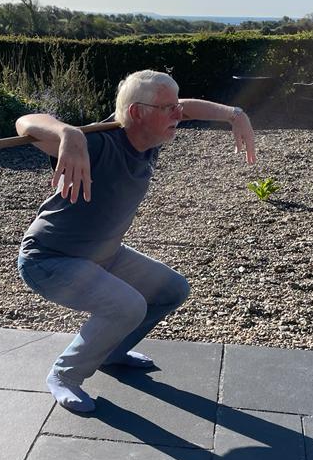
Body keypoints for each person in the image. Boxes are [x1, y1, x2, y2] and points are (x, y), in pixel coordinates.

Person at [16, 69, 256, 414]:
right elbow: (25, 123)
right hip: (50, 260)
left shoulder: (149, 138)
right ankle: (65, 375)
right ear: (136, 113)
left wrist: (235, 114)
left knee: (171, 290)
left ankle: (110, 352)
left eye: (176, 107)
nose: (179, 114)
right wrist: (67, 132)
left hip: (103, 255)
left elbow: (186, 107)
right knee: (127, 306)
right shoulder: (97, 143)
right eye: (168, 108)